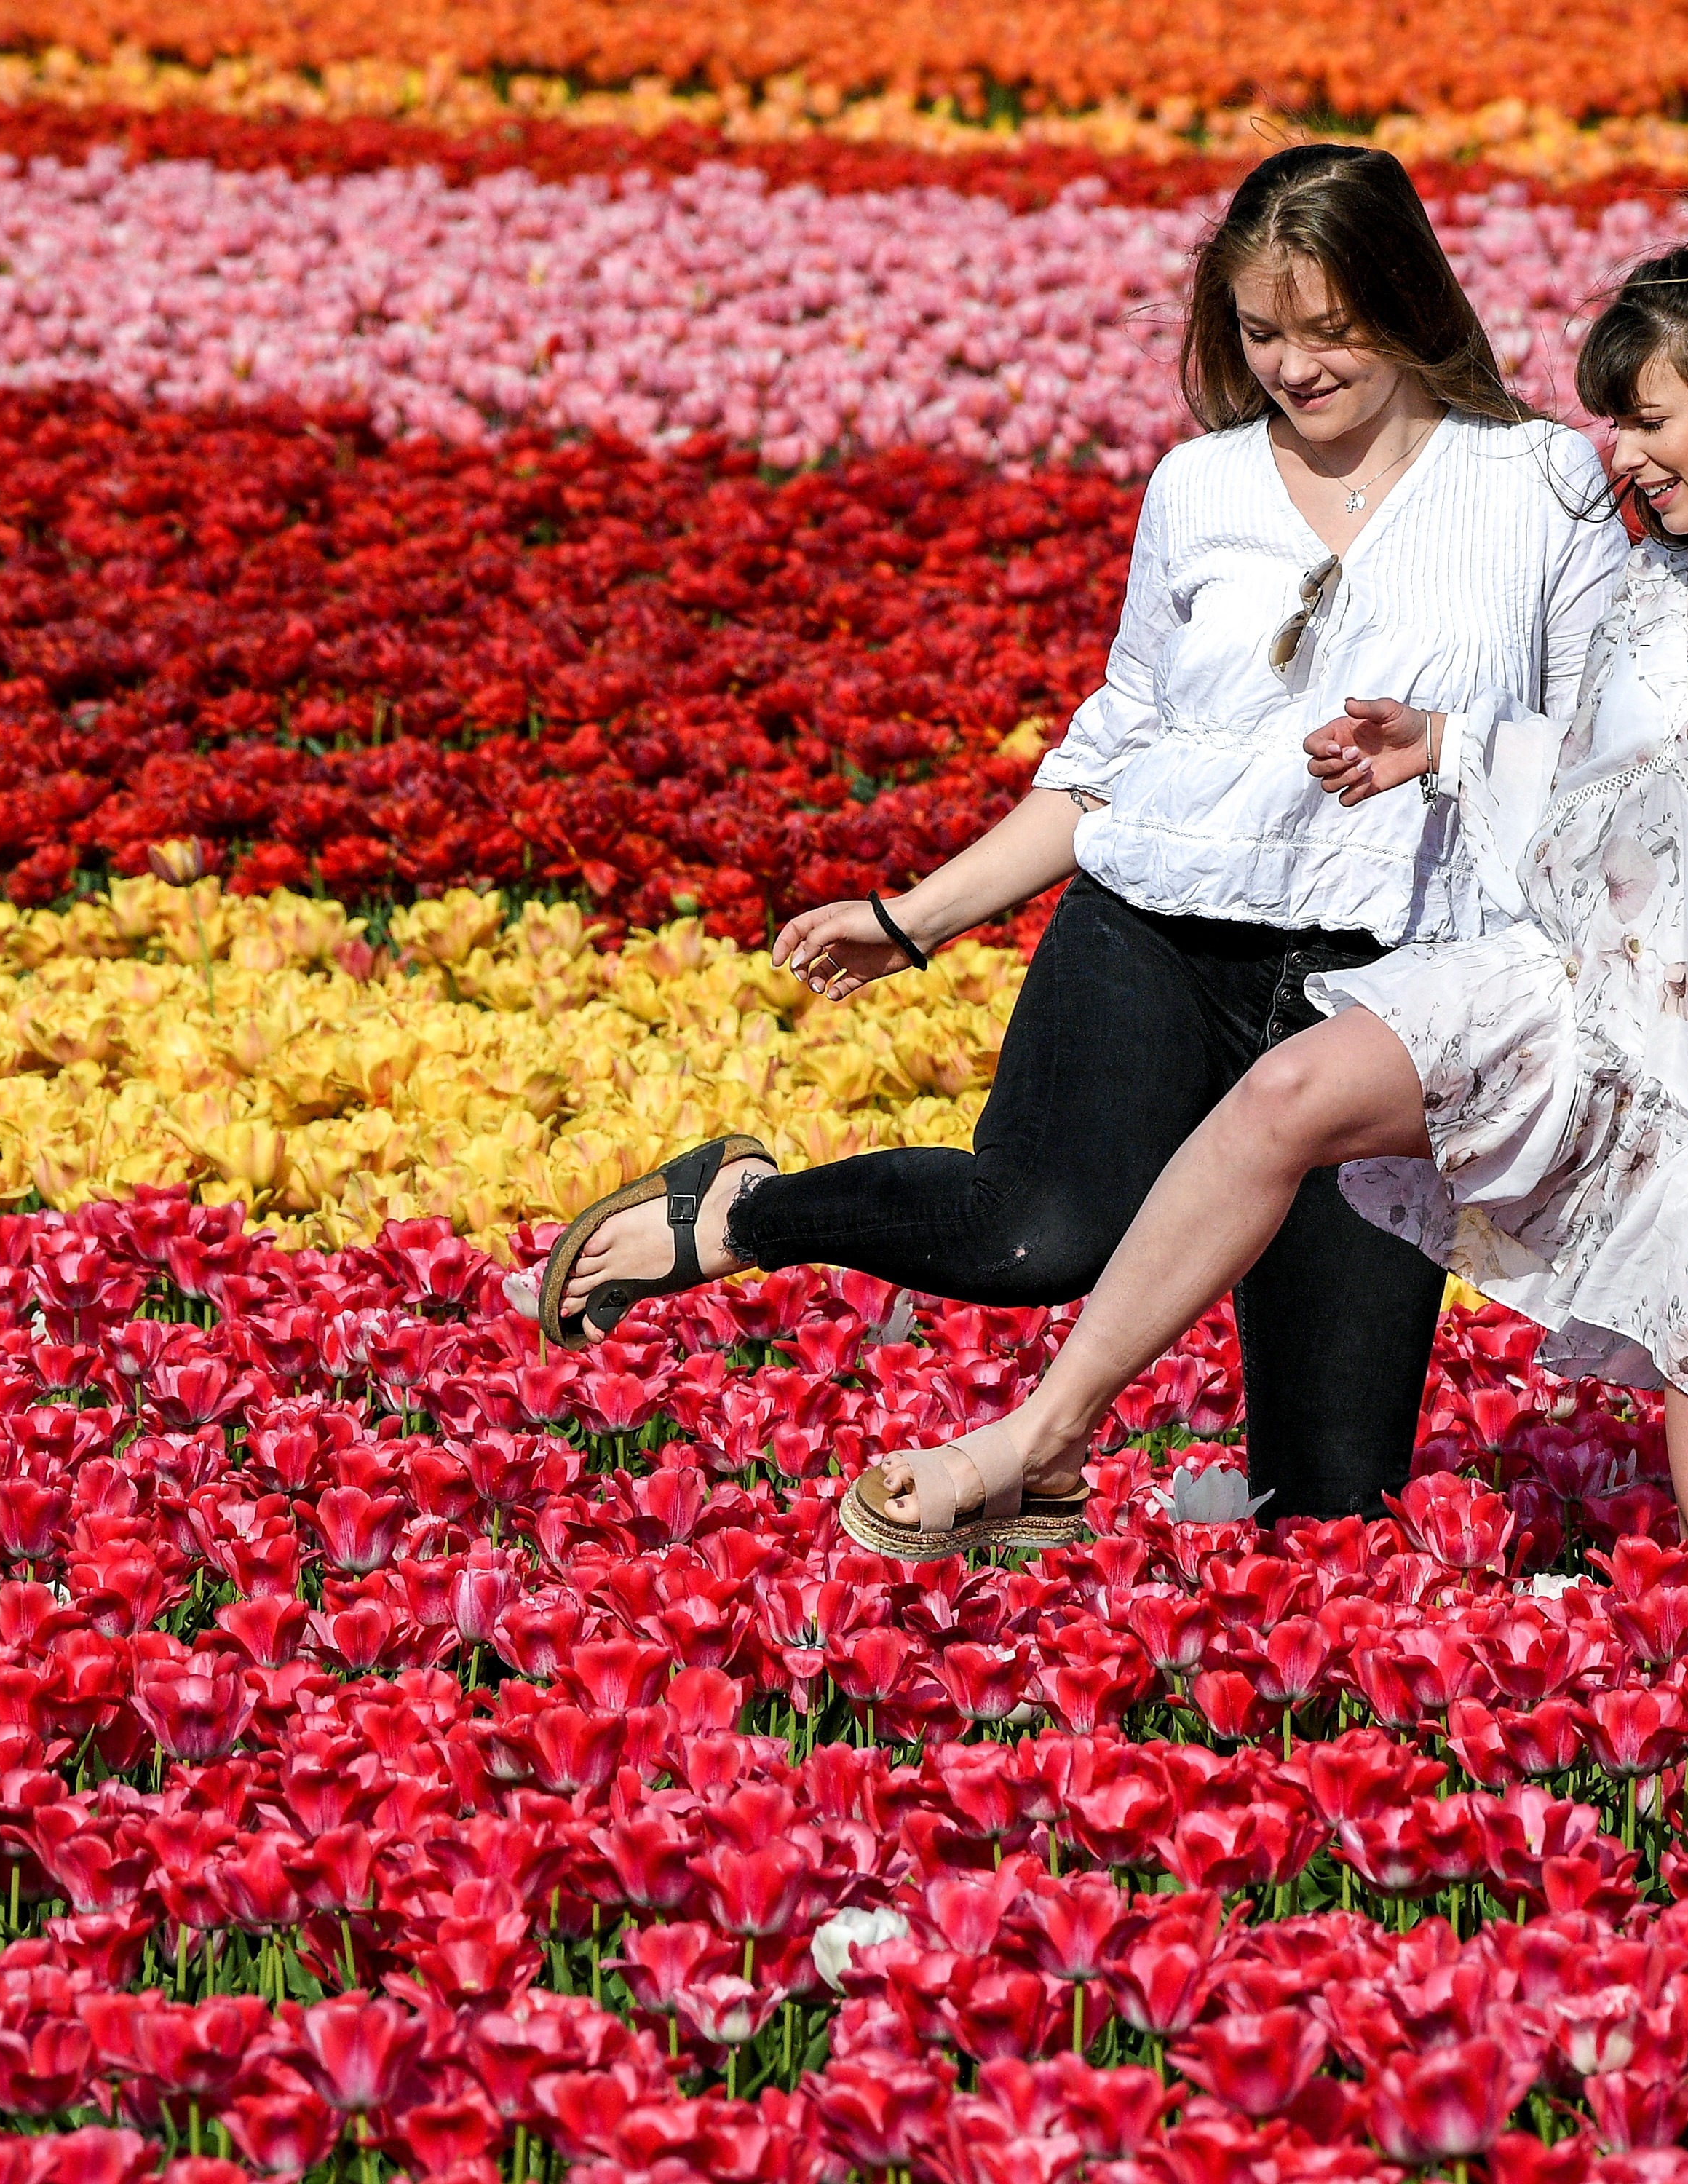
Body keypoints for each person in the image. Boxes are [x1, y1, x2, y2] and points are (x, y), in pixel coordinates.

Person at [845, 213, 1688, 1588]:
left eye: (1645, 419)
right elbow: (1598, 789)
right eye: (1611, 422)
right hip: (1575, 1010)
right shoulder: (1648, 589)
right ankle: (1035, 1441)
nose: (1618, 456)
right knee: (1289, 1093)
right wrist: (1449, 746)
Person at [510, 143, 1628, 1524]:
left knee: (1336, 1499)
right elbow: (1111, 764)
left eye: (1330, 328)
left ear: (1409, 302)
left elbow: (1596, 759)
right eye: (1262, 332)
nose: (1294, 365)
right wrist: (913, 918)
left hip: (1391, 990)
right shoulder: (1200, 489)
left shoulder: (1542, 491)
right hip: (1161, 935)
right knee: (1040, 1231)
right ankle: (741, 1212)